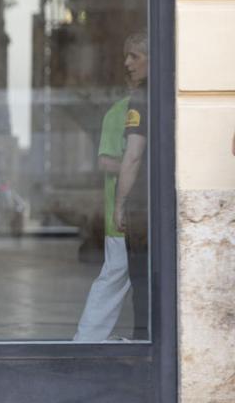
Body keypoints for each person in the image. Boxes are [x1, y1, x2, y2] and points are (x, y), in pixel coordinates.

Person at [74, 39, 144, 341]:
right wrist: (142, 168)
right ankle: (86, 340)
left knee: (131, 279)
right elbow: (105, 160)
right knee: (115, 277)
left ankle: (141, 338)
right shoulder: (119, 112)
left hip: (136, 214)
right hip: (123, 219)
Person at [114, 31, 149, 340]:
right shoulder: (171, 92)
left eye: (134, 56)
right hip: (164, 200)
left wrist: (119, 203)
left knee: (141, 277)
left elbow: (133, 156)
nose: (127, 63)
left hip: (143, 206)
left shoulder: (141, 98)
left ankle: (144, 340)